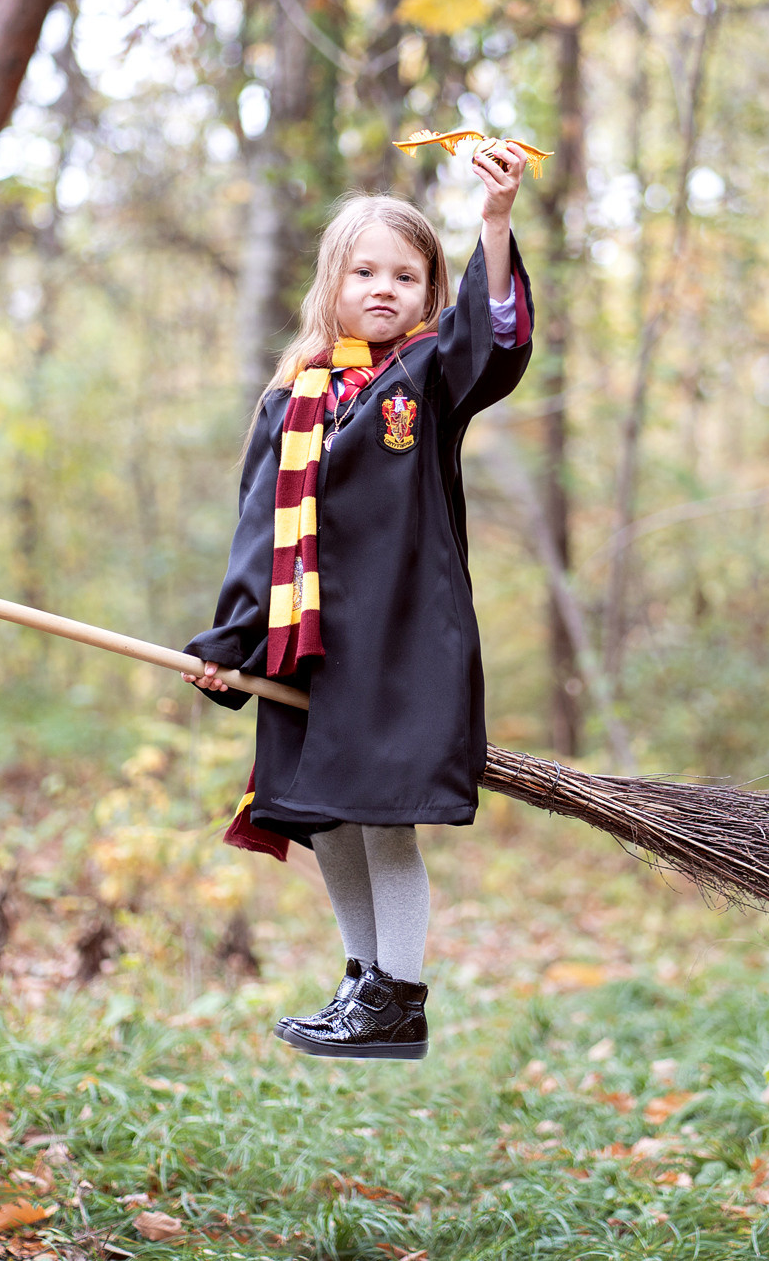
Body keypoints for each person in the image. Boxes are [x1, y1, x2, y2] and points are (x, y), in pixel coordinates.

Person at [181, 143, 533, 1060]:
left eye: (407, 275)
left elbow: (489, 343)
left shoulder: (424, 378)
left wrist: (493, 222)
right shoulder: (290, 403)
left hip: (403, 645)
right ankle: (364, 984)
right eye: (365, 271)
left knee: (381, 818)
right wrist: (232, 642)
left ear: (429, 292)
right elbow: (260, 532)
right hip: (311, 647)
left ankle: (401, 996)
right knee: (321, 810)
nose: (384, 289)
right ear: (331, 284)